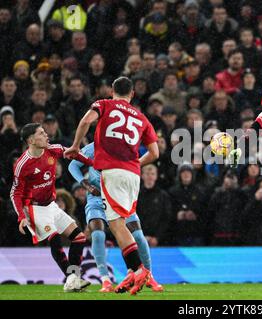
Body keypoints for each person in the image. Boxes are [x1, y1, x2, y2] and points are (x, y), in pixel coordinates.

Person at [64, 76, 159, 295]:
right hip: (133, 176)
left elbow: (87, 121)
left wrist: (75, 145)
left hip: (113, 173)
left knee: (116, 225)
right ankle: (133, 273)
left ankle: (138, 270)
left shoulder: (104, 104)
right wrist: (136, 163)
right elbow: (155, 153)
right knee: (126, 225)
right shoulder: (142, 117)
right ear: (132, 94)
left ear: (111, 91)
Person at [68, 142, 163, 293]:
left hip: (120, 197)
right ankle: (105, 280)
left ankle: (148, 275)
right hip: (97, 197)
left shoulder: (127, 144)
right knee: (98, 235)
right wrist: (85, 183)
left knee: (138, 234)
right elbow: (73, 165)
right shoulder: (95, 146)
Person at [10, 123, 92, 292]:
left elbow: (72, 153)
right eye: (41, 133)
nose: (46, 135)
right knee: (54, 239)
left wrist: (92, 163)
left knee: (79, 238)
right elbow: (15, 193)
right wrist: (21, 217)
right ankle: (71, 278)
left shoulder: (52, 149)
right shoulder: (22, 164)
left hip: (51, 205)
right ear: (31, 140)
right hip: (34, 208)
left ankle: (73, 279)